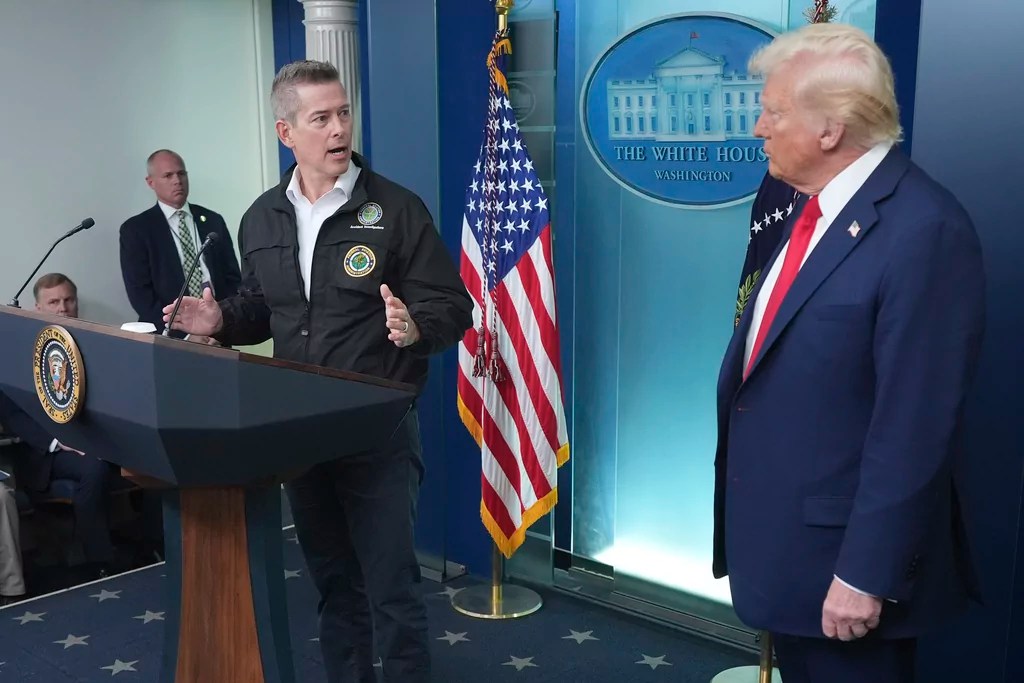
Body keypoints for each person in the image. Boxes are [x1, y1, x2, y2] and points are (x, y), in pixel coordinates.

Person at [163, 60, 473, 682]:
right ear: (287, 133)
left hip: (376, 433)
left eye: (344, 114)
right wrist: (218, 318)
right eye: (321, 118)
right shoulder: (262, 217)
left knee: (391, 587)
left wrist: (415, 329)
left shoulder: (396, 209)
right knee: (334, 585)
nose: (339, 130)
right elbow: (264, 311)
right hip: (300, 436)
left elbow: (452, 306)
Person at [713, 23, 985, 683]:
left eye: (773, 111)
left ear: (830, 130)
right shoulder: (814, 211)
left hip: (845, 577)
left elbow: (913, 427)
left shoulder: (924, 230)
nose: (758, 127)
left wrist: (866, 572)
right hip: (788, 557)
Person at [119, 150, 242, 336]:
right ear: (150, 182)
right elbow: (141, 295)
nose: (177, 180)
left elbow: (232, 279)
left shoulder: (212, 220)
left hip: (218, 334)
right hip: (168, 338)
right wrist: (186, 335)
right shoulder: (136, 230)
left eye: (181, 173)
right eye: (168, 175)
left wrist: (221, 326)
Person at [0, 390, 115, 585]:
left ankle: (150, 545)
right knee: (94, 468)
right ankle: (99, 562)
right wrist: (59, 441)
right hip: (41, 452)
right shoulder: (7, 366)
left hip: (84, 432)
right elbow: (13, 417)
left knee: (110, 463)